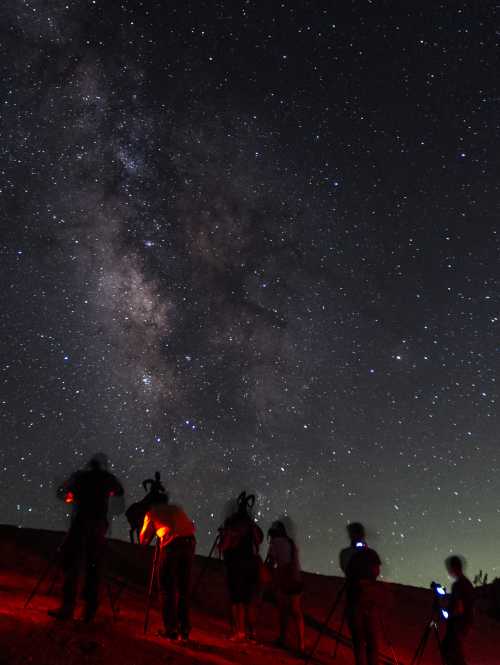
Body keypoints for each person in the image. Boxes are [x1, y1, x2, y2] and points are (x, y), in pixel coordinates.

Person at [49, 453, 124, 622]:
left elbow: (62, 492)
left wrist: (73, 496)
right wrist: (106, 493)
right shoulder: (107, 477)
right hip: (98, 525)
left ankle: (67, 608)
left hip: (80, 522)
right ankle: (89, 612)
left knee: (71, 563)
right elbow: (119, 491)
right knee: (93, 566)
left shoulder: (80, 476)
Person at [140, 493, 196, 641]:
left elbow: (143, 539)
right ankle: (184, 629)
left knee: (166, 588)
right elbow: (190, 526)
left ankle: (170, 629)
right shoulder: (176, 508)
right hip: (189, 543)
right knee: (183, 589)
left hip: (172, 546)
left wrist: (153, 531)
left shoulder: (151, 513)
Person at [218, 491, 264, 642]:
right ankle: (252, 633)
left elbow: (225, 545)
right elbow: (258, 541)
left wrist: (224, 540)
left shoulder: (232, 523)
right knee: (248, 600)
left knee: (236, 599)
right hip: (250, 565)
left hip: (235, 565)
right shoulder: (251, 525)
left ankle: (239, 631)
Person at [339, 522, 381, 665]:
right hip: (370, 599)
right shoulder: (372, 553)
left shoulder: (346, 553)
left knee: (358, 640)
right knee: (372, 640)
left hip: (354, 598)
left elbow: (345, 569)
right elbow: (376, 573)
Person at [266, 521, 305, 654]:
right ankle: (301, 644)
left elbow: (272, 561)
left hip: (284, 579)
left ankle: (283, 638)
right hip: (296, 579)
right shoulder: (291, 542)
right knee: (297, 611)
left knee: (283, 611)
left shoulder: (275, 542)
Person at [441, 555, 475, 665]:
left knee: (451, 654)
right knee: (455, 654)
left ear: (455, 568)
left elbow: (459, 608)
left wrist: (447, 613)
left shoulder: (458, 585)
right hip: (465, 624)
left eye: (450, 568)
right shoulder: (467, 584)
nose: (449, 571)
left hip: (458, 625)